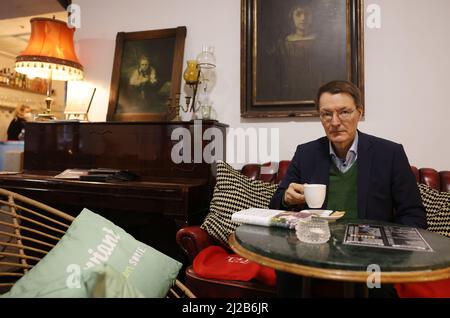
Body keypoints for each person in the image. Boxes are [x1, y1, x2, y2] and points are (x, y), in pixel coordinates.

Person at [270, 80, 427, 297]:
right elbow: (276, 204)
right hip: (313, 250)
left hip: (371, 254)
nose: (335, 122)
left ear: (359, 113)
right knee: (287, 273)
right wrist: (287, 199)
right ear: (320, 117)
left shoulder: (389, 154)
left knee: (377, 286)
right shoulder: (306, 153)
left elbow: (413, 214)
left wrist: (392, 253)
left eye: (344, 112)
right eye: (326, 114)